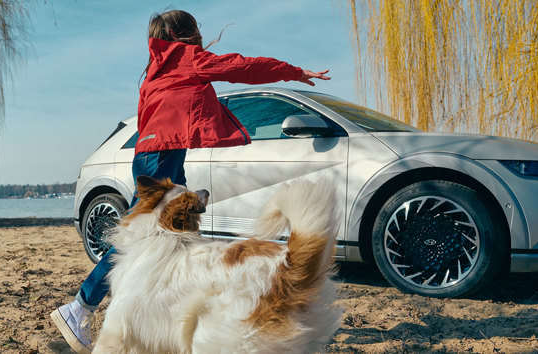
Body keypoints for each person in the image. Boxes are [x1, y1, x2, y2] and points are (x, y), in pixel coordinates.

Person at [49, 9, 330, 351]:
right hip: (163, 154)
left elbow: (148, 116)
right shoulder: (186, 59)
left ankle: (149, 305)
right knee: (142, 237)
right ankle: (81, 306)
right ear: (187, 33)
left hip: (152, 152)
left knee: (165, 237)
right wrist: (294, 72)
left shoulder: (155, 68)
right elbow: (240, 66)